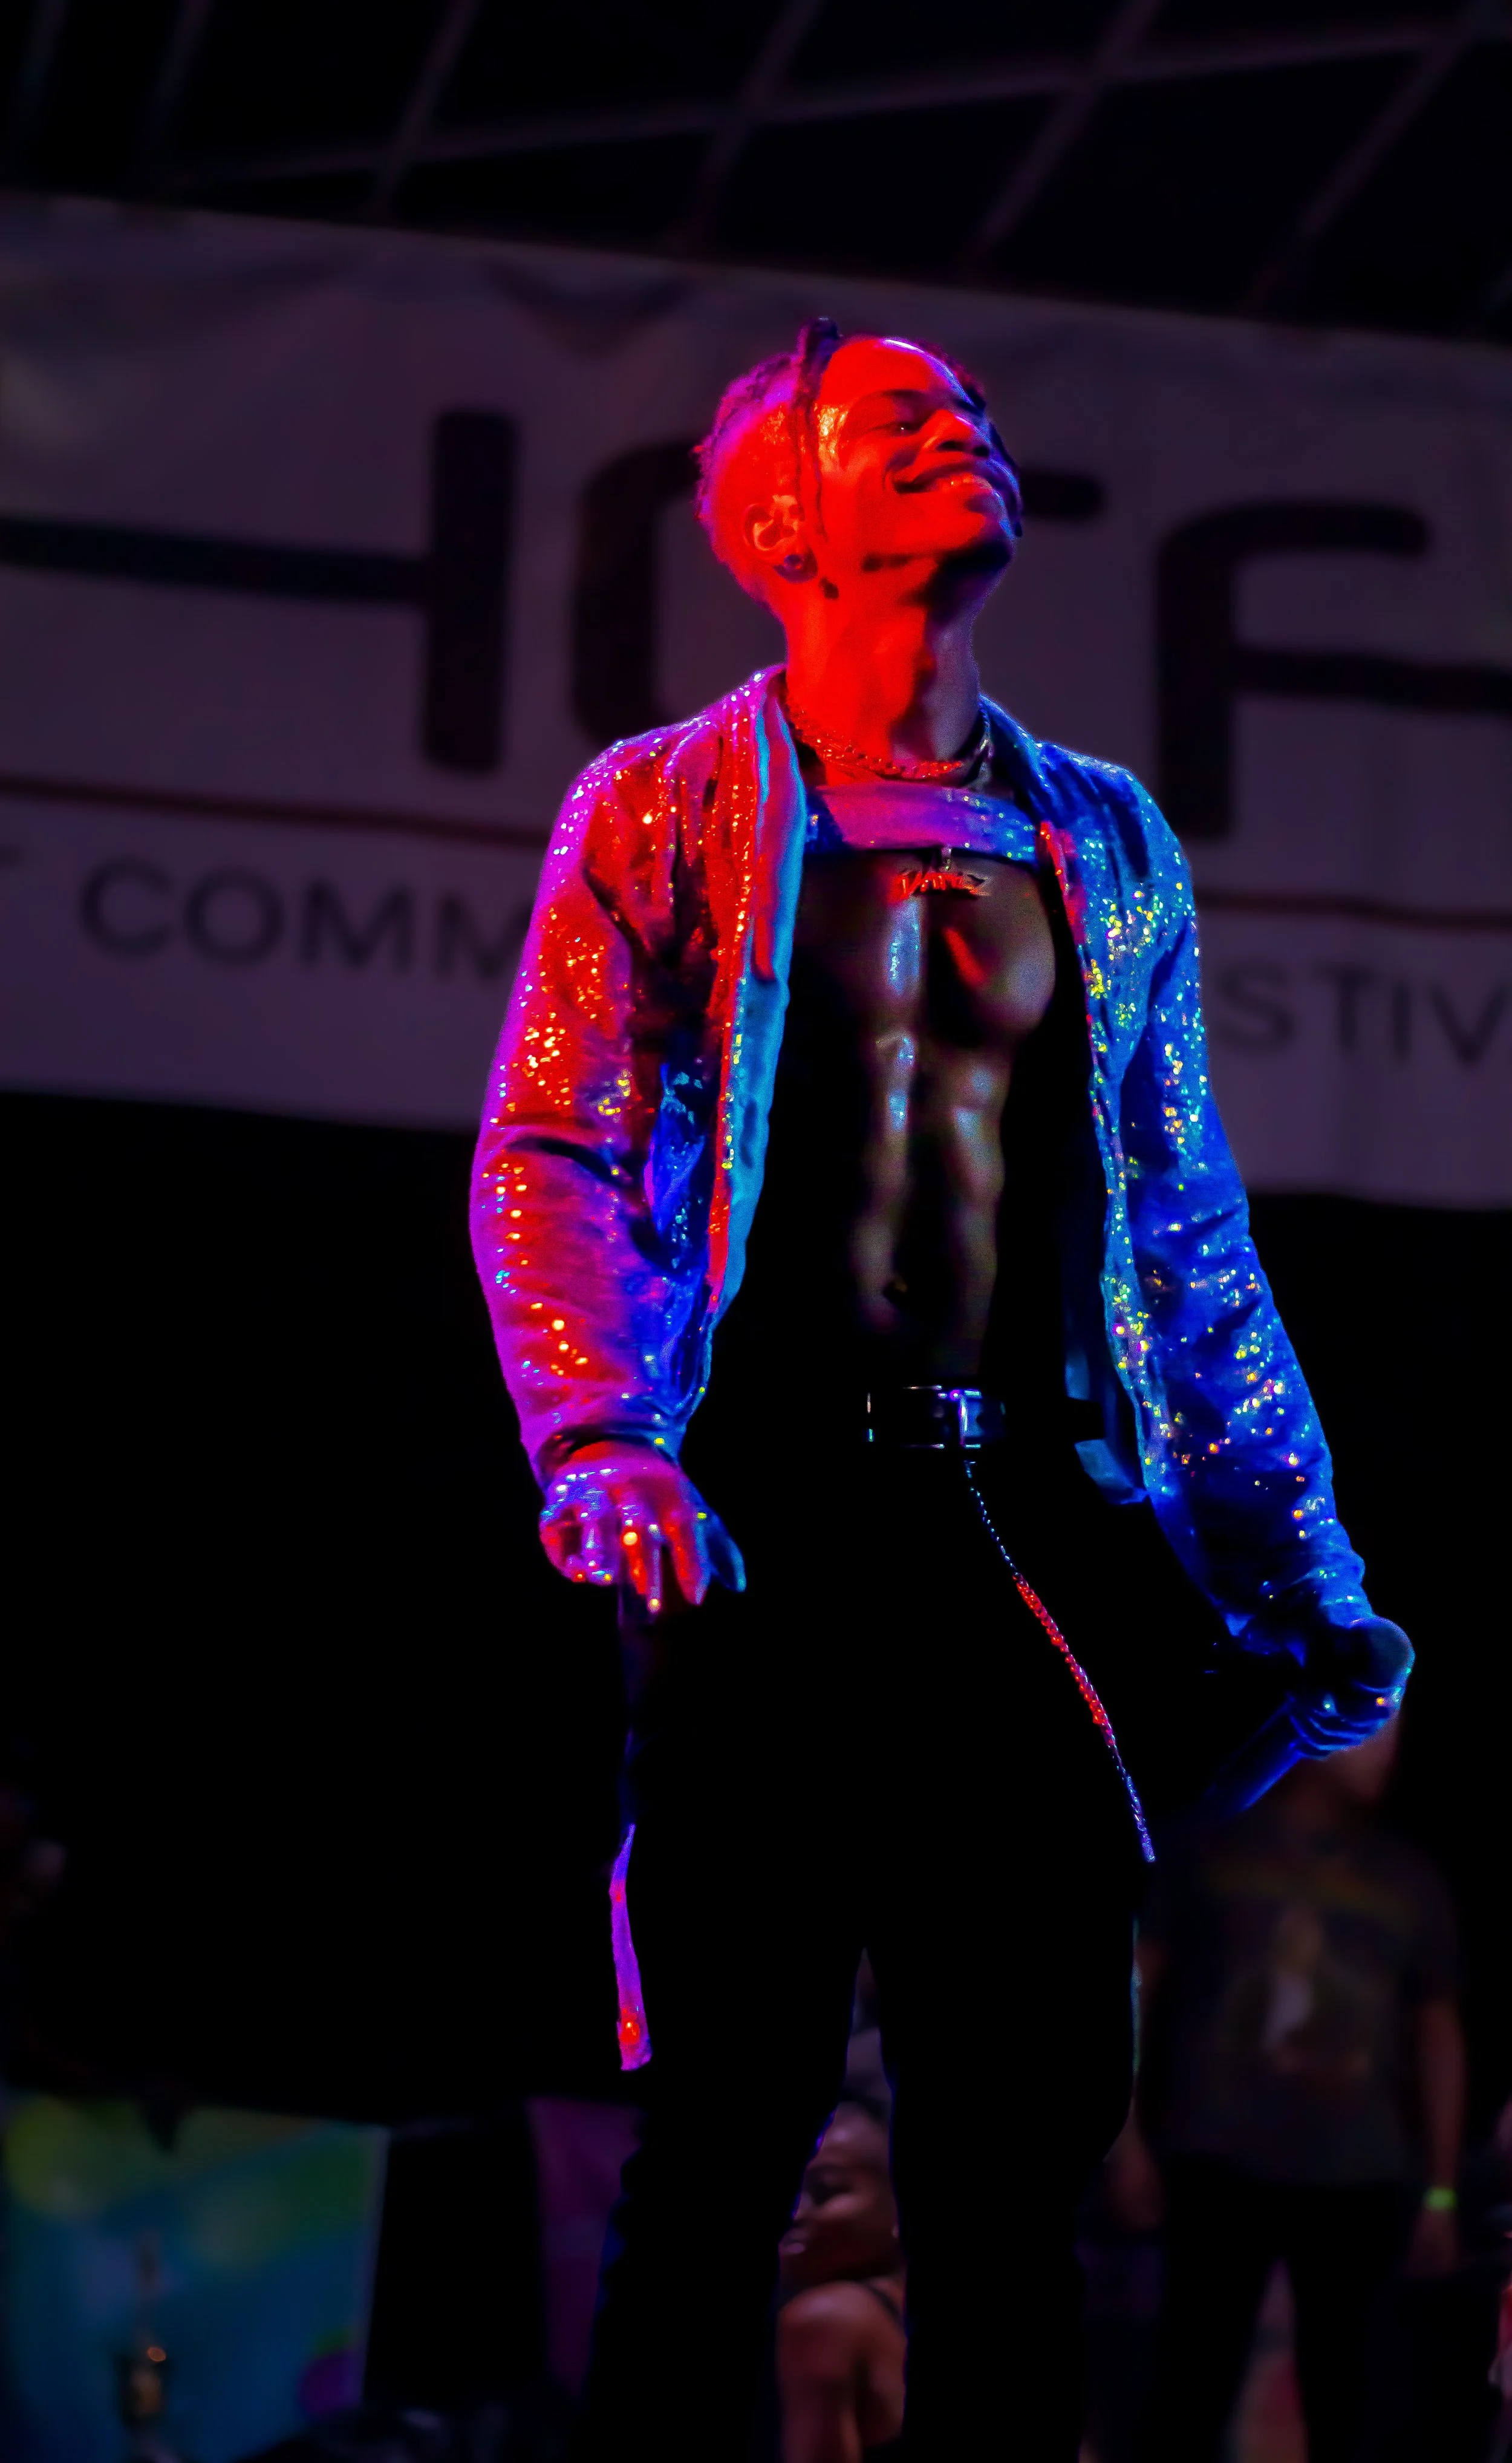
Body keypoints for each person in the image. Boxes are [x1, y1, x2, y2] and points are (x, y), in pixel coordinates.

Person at [470, 318, 1409, 2458]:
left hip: (1027, 1549)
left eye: (970, 415)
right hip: (764, 1535)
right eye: (899, 421)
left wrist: (1298, 1563)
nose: (959, 436)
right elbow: (556, 1140)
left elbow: (1182, 1227)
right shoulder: (666, 806)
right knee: (725, 2135)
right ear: (780, 518)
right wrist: (600, 1428)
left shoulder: (1105, 836)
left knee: (1017, 2154)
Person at [1112, 1721, 1464, 2462]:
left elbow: (1437, 2032)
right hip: (1216, 2158)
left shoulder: (1405, 1877)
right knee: (1189, 2384)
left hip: (1357, 2173)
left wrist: (1439, 2189)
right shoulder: (1212, 1847)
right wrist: (1126, 2137)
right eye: (1377, 1725)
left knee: (1349, 2398)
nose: (1386, 1746)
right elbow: (1139, 1986)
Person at [778, 2100, 907, 2463]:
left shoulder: (826, 2318)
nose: (796, 2214)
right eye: (790, 2192)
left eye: (826, 2191)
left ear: (900, 2206)